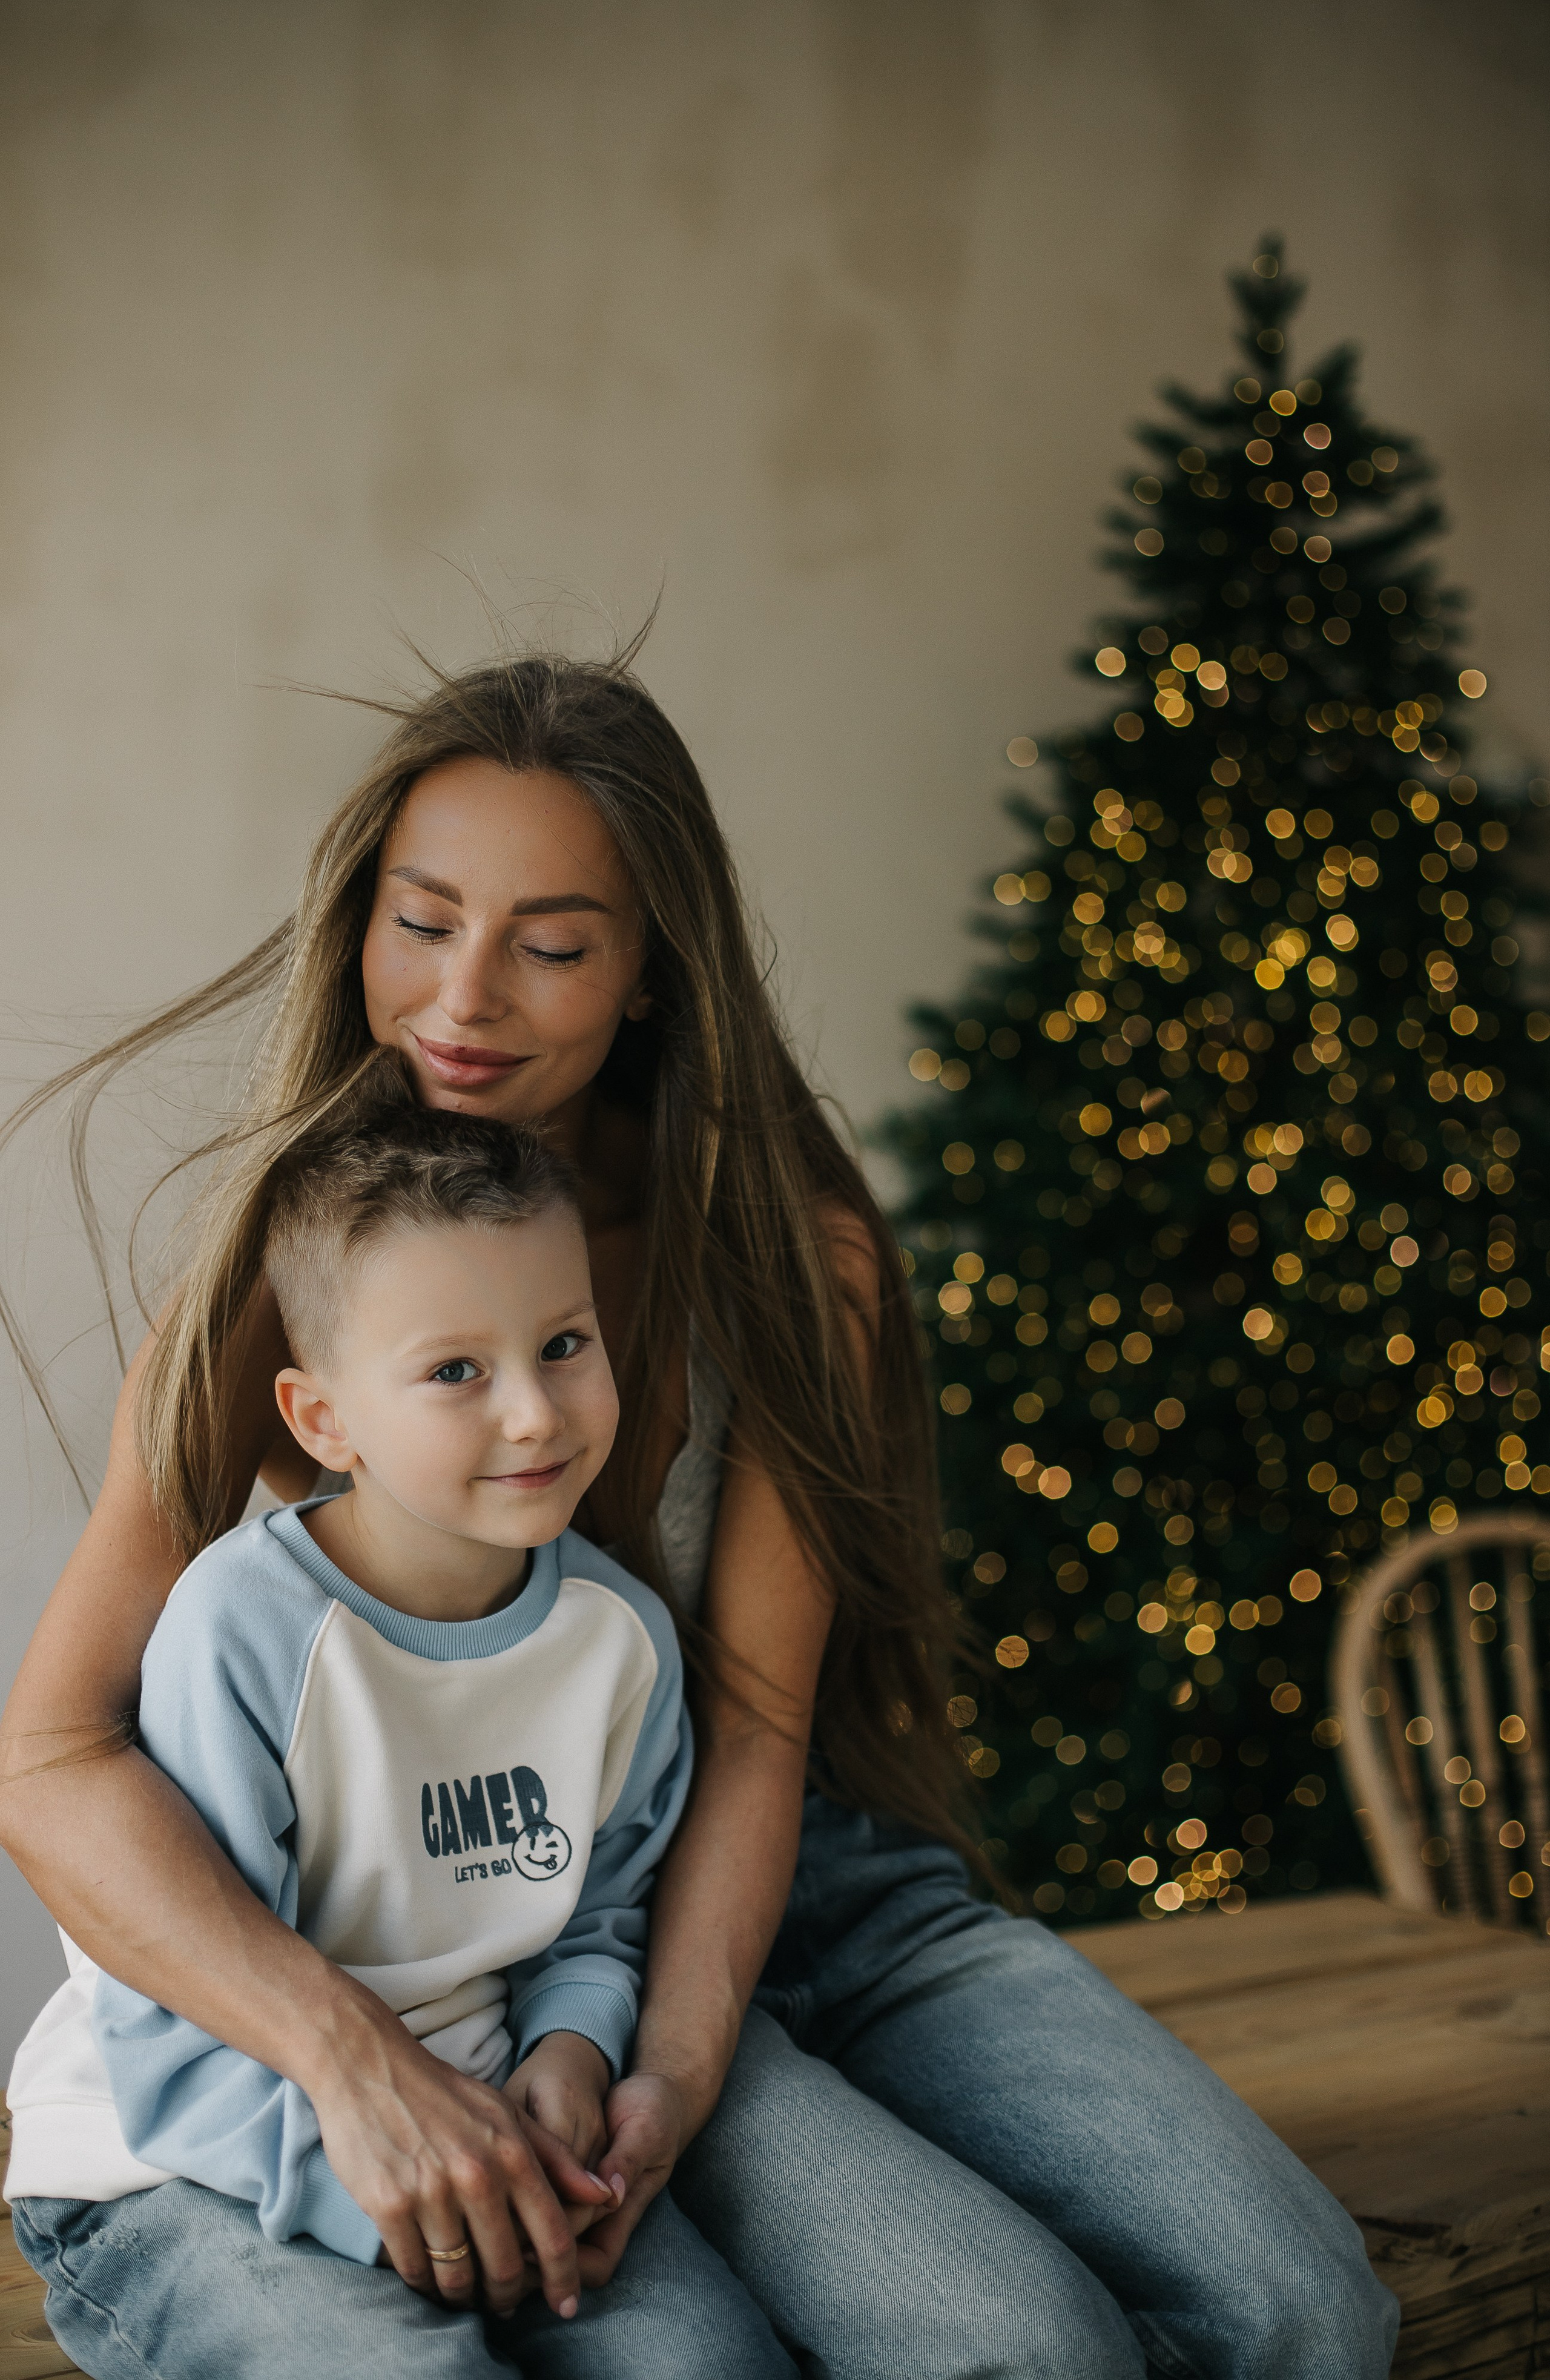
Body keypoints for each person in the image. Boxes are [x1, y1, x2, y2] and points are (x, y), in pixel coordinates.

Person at [0, 648, 1398, 2378]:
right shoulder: (288, 1277)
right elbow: (52, 1750)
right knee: (1022, 2342)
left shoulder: (793, 1248)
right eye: (422, 921)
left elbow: (747, 1723)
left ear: (654, 971)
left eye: (555, 944)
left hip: (789, 1882)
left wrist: (672, 2060)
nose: (462, 998)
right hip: (487, 1930)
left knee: (1305, 2309)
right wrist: (359, 2055)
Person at [7, 1096, 696, 2376]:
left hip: (488, 2133)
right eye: (455, 1370)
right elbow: (170, 2006)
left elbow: (598, 1914)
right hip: (176, 2154)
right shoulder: (242, 1629)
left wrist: (570, 2045)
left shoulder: (621, 1642)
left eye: (562, 1343)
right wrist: (384, 2209)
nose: (537, 1414)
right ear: (321, 1419)